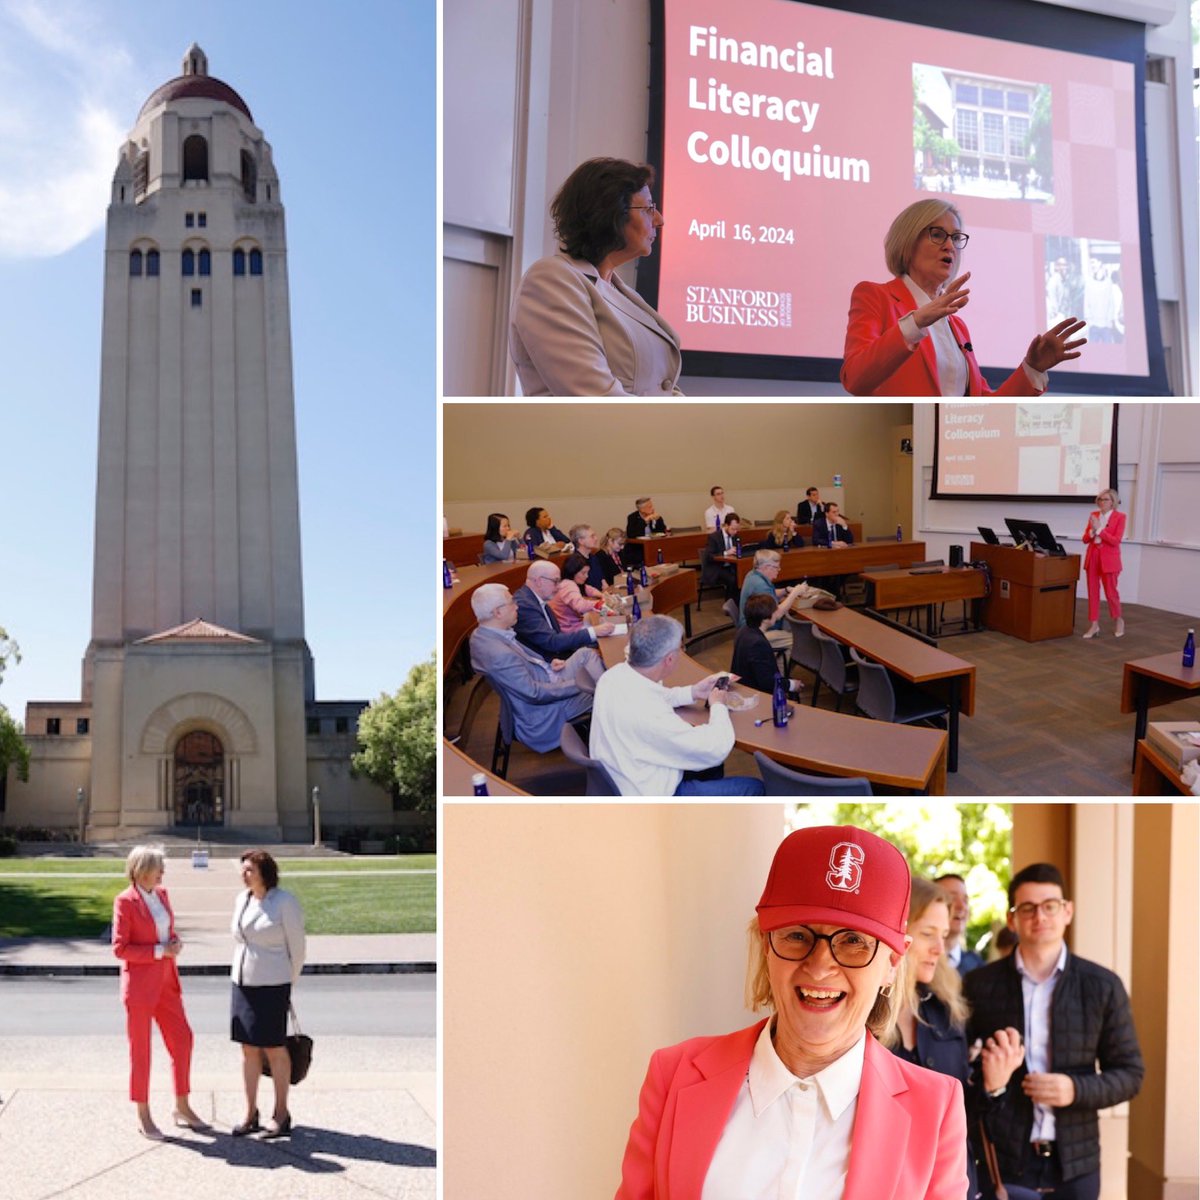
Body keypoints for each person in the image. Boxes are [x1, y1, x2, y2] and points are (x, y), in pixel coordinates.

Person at [616, 824, 968, 1198]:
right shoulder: (674, 1075)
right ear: (767, 945)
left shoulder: (935, 1108)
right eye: (797, 935)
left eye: (853, 942)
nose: (819, 967)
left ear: (893, 964)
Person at [963, 863, 1144, 1199]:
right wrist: (990, 1082)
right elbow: (957, 1072)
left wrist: (1075, 1089)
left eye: (1050, 906)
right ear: (1013, 919)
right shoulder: (978, 985)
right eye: (1028, 908)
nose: (1040, 917)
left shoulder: (1102, 986)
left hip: (1076, 1162)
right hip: (1003, 1160)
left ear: (1067, 911)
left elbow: (1131, 1073)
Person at [841, 199, 1086, 396]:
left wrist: (1033, 368)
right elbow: (855, 378)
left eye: (956, 238)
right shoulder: (875, 296)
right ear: (907, 242)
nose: (950, 246)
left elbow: (982, 408)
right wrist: (915, 322)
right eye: (938, 235)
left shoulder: (956, 325)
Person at [883, 878, 1024, 1200]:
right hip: (887, 1185)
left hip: (949, 1184)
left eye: (944, 936)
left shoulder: (946, 1011)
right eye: (928, 934)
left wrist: (993, 1083)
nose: (940, 948)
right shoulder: (860, 1014)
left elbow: (961, 1117)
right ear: (896, 933)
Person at [508, 157, 682, 396]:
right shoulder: (551, 280)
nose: (659, 220)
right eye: (649, 208)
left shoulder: (625, 293)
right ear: (611, 213)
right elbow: (595, 396)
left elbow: (661, 389)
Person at [589, 614, 765, 796]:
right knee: (754, 788)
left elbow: (655, 695)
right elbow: (716, 748)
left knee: (711, 768)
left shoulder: (612, 677)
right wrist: (718, 705)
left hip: (628, 772)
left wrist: (694, 692)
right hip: (653, 794)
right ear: (670, 659)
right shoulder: (652, 717)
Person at [112, 845, 208, 1139]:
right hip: (140, 989)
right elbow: (120, 948)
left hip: (167, 983)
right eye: (159, 869)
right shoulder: (125, 902)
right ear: (142, 871)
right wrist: (158, 951)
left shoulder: (162, 895)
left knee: (183, 1040)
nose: (163, 873)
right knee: (141, 1053)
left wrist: (174, 942)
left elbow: (166, 930)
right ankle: (144, 1113)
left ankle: (182, 1105)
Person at [230, 849, 307, 1139]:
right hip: (242, 982)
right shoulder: (242, 899)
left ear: (265, 872)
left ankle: (281, 1113)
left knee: (275, 1048)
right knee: (248, 1048)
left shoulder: (284, 902)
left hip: (273, 983)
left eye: (249, 869)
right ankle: (250, 1113)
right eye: (243, 869)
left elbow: (297, 948)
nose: (244, 874)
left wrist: (289, 981)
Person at [469, 582, 598, 749]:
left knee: (585, 654)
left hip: (544, 677)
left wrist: (548, 664)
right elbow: (534, 693)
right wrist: (579, 685)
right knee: (602, 694)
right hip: (542, 711)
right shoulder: (498, 653)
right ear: (497, 612)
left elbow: (523, 662)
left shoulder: (483, 634)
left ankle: (604, 690)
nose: (517, 607)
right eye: (512, 603)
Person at [514, 560, 615, 663]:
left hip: (560, 653)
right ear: (539, 581)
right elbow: (552, 642)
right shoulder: (525, 605)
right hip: (553, 664)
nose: (558, 587)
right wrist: (594, 631)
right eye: (555, 581)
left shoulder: (536, 599)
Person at [732, 592, 805, 697]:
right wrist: (792, 685)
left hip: (745, 687)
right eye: (774, 610)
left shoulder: (744, 630)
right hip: (757, 695)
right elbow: (767, 681)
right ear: (766, 619)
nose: (777, 613)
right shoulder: (758, 644)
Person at [1081, 488, 1125, 639]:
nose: (1101, 502)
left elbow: (1115, 541)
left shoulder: (1120, 517)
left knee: (1111, 592)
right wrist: (1092, 532)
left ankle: (1118, 620)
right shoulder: (1093, 516)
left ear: (1113, 502)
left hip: (1109, 559)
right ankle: (1094, 625)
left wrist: (1099, 529)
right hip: (1093, 556)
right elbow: (1085, 539)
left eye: (1105, 499)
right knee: (1093, 592)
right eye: (1100, 499)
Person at [936, 873, 985, 977]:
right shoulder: (915, 964)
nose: (962, 906)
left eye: (965, 900)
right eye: (951, 898)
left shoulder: (978, 968)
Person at [549, 552, 606, 633]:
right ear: (573, 572)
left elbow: (588, 589)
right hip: (571, 630)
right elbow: (580, 606)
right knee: (607, 626)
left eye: (587, 572)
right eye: (583, 573)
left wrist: (602, 595)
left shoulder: (568, 582)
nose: (587, 576)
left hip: (573, 625)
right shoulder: (568, 585)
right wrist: (600, 603)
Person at [703, 512, 743, 601]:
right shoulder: (714, 537)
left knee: (743, 575)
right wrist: (726, 553)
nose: (735, 532)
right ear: (726, 525)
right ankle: (730, 603)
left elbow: (739, 549)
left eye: (737, 529)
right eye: (733, 529)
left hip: (732, 566)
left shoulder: (735, 536)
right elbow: (709, 556)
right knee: (733, 579)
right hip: (717, 567)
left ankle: (739, 601)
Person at [1083, 259, 1123, 343]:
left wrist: (1110, 320)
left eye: (1094, 263)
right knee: (1094, 350)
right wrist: (1089, 320)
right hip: (1093, 324)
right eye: (1091, 264)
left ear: (1100, 265)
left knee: (1107, 349)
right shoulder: (1089, 282)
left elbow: (1111, 302)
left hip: (1106, 325)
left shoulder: (1108, 282)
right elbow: (1086, 302)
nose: (1093, 265)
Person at [568, 523, 608, 591]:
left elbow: (602, 579)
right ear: (581, 541)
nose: (596, 538)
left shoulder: (594, 557)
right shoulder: (575, 562)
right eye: (592, 536)